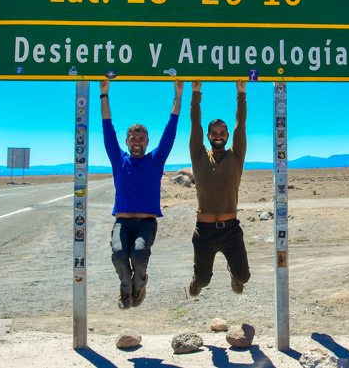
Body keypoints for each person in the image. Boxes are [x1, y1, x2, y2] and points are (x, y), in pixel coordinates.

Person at [100, 78, 183, 309]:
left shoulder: (155, 160)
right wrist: (104, 95)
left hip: (146, 223)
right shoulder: (118, 159)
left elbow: (170, 131)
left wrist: (178, 97)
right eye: (133, 139)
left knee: (138, 254)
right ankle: (125, 289)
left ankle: (140, 284)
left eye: (141, 139)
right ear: (127, 142)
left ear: (147, 141)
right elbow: (107, 128)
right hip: (122, 223)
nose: (137, 142)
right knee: (118, 255)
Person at [187, 79, 250, 297]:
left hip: (231, 228)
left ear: (227, 136)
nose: (218, 136)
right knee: (203, 280)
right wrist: (196, 93)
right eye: (214, 133)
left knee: (244, 277)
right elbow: (195, 125)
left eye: (222, 132)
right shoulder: (199, 155)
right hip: (204, 231)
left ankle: (235, 275)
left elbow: (240, 125)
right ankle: (197, 278)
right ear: (208, 136)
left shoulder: (236, 155)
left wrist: (241, 94)